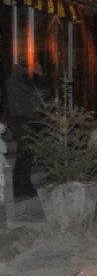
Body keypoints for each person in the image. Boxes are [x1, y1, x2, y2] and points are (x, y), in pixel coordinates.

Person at [6, 60, 50, 200]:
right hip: (24, 121)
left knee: (26, 156)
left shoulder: (19, 79)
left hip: (24, 120)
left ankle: (24, 186)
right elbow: (39, 95)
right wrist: (40, 77)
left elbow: (40, 94)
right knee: (24, 156)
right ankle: (21, 187)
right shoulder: (19, 80)